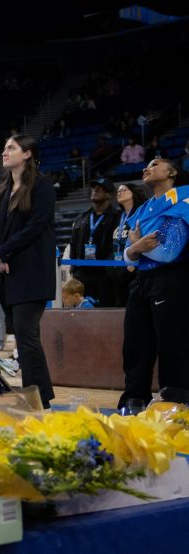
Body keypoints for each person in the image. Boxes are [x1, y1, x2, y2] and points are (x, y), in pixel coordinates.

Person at [0, 135, 56, 408]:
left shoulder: (42, 186)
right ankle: (37, 396)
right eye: (4, 147)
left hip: (31, 273)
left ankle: (37, 397)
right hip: (7, 274)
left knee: (27, 337)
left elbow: (36, 226)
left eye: (11, 147)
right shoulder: (4, 188)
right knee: (23, 337)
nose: (4, 152)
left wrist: (4, 252)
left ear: (27, 154)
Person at [119, 158, 189, 409]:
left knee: (172, 342)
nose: (147, 167)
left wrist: (136, 248)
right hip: (142, 281)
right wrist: (137, 246)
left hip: (172, 279)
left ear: (172, 172)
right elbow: (125, 257)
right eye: (146, 164)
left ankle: (175, 399)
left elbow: (168, 251)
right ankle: (134, 396)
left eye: (155, 163)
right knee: (135, 342)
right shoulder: (142, 209)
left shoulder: (185, 200)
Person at [68, 178, 120, 307]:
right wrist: (74, 269)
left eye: (100, 189)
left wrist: (112, 271)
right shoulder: (82, 217)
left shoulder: (117, 217)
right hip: (82, 274)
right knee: (83, 314)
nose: (95, 191)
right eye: (94, 188)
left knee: (106, 312)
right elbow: (73, 243)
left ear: (109, 195)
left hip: (105, 275)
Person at [110, 182, 149, 305]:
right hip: (117, 268)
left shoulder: (141, 214)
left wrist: (135, 261)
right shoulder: (118, 216)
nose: (120, 192)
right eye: (118, 191)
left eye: (124, 190)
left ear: (134, 193)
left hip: (134, 269)